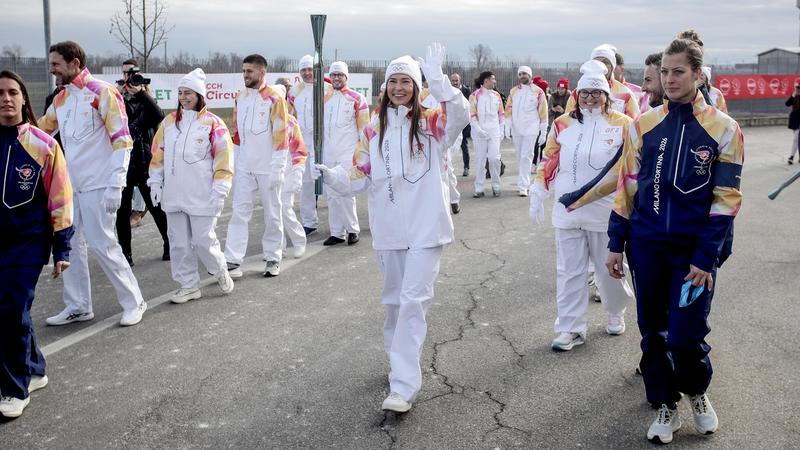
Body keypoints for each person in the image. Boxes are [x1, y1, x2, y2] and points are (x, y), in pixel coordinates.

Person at [314, 43, 469, 413]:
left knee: (414, 301)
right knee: (394, 302)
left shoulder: (431, 123)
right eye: (393, 82)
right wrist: (333, 177)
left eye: (406, 82)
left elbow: (460, 115)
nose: (399, 88)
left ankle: (403, 385)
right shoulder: (374, 128)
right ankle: (397, 361)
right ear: (385, 88)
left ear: (416, 87)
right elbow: (359, 174)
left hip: (426, 228)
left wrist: (439, 82)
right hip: (389, 230)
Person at [605, 36, 744, 444]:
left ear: (698, 74)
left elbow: (726, 199)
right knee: (653, 333)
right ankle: (665, 403)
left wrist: (706, 256)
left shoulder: (725, 129)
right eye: (664, 72)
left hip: (693, 256)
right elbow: (626, 187)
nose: (669, 79)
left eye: (678, 71)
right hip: (646, 248)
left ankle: (696, 391)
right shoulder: (643, 125)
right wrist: (616, 243)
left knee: (685, 335)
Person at [39, 41, 147, 327]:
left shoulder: (102, 92)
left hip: (100, 184)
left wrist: (116, 184)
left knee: (103, 244)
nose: (52, 70)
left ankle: (134, 301)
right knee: (69, 245)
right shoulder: (61, 100)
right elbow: (41, 132)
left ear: (74, 63)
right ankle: (78, 306)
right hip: (71, 187)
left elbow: (122, 140)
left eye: (56, 64)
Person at [529, 60, 633, 351]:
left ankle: (615, 312)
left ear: (606, 95)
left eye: (596, 92)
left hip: (606, 212)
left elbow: (631, 168)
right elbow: (550, 158)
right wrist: (539, 189)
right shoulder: (563, 124)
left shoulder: (623, 124)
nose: (590, 98)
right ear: (577, 94)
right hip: (568, 210)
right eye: (584, 92)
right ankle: (570, 328)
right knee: (569, 271)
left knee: (608, 269)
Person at [0, 71, 73, 419]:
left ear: (24, 98)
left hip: (27, 242)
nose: (6, 98)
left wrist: (62, 248)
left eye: (13, 92)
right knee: (12, 310)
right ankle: (35, 368)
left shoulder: (43, 145)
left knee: (10, 309)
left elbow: (61, 198)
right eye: (0, 93)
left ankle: (14, 388)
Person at [148, 68, 235, 303]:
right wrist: (155, 182)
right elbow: (157, 154)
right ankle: (188, 285)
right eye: (180, 93)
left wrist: (220, 189)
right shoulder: (169, 123)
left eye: (188, 93)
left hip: (201, 193)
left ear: (199, 95)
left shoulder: (213, 124)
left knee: (203, 240)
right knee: (178, 243)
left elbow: (224, 159)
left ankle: (219, 270)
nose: (183, 97)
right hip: (174, 194)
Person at [223, 54, 290, 278]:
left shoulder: (274, 98)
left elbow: (281, 136)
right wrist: (236, 162)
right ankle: (232, 258)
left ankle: (273, 256)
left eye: (249, 71)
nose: (245, 75)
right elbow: (237, 134)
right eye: (244, 71)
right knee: (239, 211)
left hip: (268, 167)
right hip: (245, 166)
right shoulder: (240, 97)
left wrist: (278, 168)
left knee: (272, 214)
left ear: (262, 72)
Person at [115, 59, 169, 266]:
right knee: (122, 211)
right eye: (125, 73)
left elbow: (157, 115)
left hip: (145, 161)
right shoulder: (118, 98)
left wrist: (140, 93)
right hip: (123, 162)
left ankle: (169, 243)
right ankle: (125, 253)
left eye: (132, 73)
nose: (128, 77)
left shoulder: (146, 99)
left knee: (156, 206)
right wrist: (120, 94)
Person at [320, 61, 370, 246]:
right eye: (333, 75)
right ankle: (337, 232)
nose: (336, 78)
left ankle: (352, 230)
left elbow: (364, 130)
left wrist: (362, 155)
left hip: (348, 153)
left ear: (346, 77)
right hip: (329, 152)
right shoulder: (324, 99)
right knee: (332, 193)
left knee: (346, 191)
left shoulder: (356, 98)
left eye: (340, 75)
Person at [287, 55, 333, 236]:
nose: (307, 73)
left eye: (310, 69)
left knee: (330, 183)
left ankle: (339, 225)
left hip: (323, 141)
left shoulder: (327, 89)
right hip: (303, 143)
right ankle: (309, 222)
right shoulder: (294, 91)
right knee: (306, 184)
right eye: (303, 70)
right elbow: (289, 116)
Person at [273, 83, 309, 257]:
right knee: (272, 213)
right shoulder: (264, 122)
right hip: (270, 173)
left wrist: (297, 173)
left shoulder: (291, 122)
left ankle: (299, 241)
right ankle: (278, 247)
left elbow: (299, 151)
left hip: (288, 172)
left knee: (285, 209)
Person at [505, 66, 548, 196]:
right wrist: (507, 126)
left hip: (531, 128)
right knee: (519, 156)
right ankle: (522, 182)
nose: (522, 76)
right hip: (517, 129)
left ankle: (524, 185)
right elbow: (508, 108)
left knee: (526, 156)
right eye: (520, 74)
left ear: (529, 75)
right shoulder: (513, 91)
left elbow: (543, 111)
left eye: (524, 74)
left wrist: (543, 131)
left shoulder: (538, 91)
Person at [566, 44, 640, 119]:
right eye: (596, 62)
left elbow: (633, 123)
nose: (600, 65)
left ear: (612, 67)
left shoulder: (626, 94)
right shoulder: (578, 93)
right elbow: (567, 121)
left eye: (605, 62)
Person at [469, 71, 505, 197]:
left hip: (494, 131)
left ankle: (496, 185)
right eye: (493, 79)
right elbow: (472, 114)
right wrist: (478, 129)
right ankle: (479, 187)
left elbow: (501, 114)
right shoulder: (475, 96)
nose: (495, 81)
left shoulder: (496, 95)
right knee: (480, 160)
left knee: (494, 158)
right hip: (479, 133)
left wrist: (501, 129)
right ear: (486, 80)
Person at [450, 73, 471, 176]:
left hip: (463, 123)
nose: (454, 83)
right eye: (453, 81)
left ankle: (466, 167)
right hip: (452, 123)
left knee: (463, 145)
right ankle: (448, 168)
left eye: (456, 80)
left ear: (460, 80)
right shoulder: (448, 91)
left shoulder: (466, 91)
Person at [786, 84, 800, 164]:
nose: (798, 90)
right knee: (797, 139)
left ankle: (791, 156)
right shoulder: (794, 96)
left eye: (799, 89)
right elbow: (787, 104)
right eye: (797, 88)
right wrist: (793, 96)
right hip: (795, 119)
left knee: (796, 139)